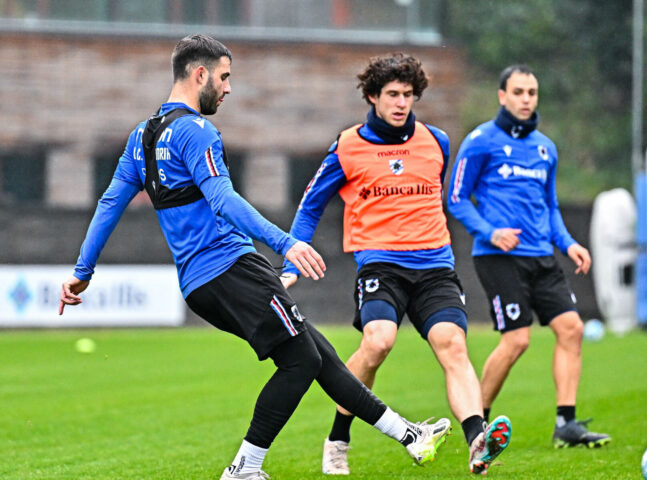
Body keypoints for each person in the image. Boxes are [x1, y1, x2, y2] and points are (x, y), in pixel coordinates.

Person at [58, 35, 452, 480]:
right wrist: (287, 244)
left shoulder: (142, 137)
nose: (227, 88)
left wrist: (81, 272)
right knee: (302, 360)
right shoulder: (196, 131)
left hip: (199, 285)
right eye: (224, 77)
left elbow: (109, 203)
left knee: (316, 352)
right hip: (232, 268)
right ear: (199, 74)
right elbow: (223, 199)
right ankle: (245, 467)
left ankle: (409, 436)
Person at [280, 53, 511, 475]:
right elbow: (311, 205)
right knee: (378, 342)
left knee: (454, 345)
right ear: (373, 96)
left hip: (435, 265)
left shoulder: (437, 140)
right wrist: (292, 258)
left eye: (408, 94)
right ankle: (338, 437)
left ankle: (477, 440)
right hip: (381, 266)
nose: (401, 102)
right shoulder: (348, 145)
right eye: (392, 94)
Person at [446, 64, 611, 449]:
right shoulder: (480, 141)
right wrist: (490, 232)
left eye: (531, 93)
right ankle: (479, 424)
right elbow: (455, 199)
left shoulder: (545, 148)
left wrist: (568, 243)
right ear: (502, 96)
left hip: (542, 257)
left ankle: (566, 424)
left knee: (572, 329)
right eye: (518, 92)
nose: (525, 100)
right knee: (517, 340)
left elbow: (549, 206)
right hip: (499, 257)